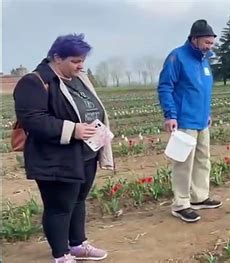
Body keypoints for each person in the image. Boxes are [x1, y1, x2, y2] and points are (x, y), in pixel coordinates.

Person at [13, 34, 113, 263]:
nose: (81, 65)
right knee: (59, 207)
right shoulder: (35, 81)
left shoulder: (78, 79)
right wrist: (72, 130)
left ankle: (77, 245)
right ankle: (61, 255)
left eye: (82, 60)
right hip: (55, 157)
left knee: (78, 200)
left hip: (84, 154)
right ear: (57, 57)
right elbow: (33, 119)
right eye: (75, 61)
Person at [157, 19, 222, 223]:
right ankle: (181, 203)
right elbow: (165, 86)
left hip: (202, 120)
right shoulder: (178, 57)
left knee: (203, 159)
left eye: (212, 43)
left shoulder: (204, 60)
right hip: (184, 120)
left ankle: (199, 197)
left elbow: (203, 89)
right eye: (206, 43)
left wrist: (207, 113)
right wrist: (170, 115)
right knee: (184, 162)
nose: (209, 47)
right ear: (194, 39)